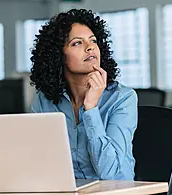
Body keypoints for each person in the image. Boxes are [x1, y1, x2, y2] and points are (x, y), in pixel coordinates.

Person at [30, 8, 138, 180]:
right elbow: (37, 162)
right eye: (77, 43)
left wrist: (91, 109)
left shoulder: (122, 98)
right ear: (58, 56)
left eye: (93, 41)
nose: (90, 48)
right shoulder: (44, 100)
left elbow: (110, 173)